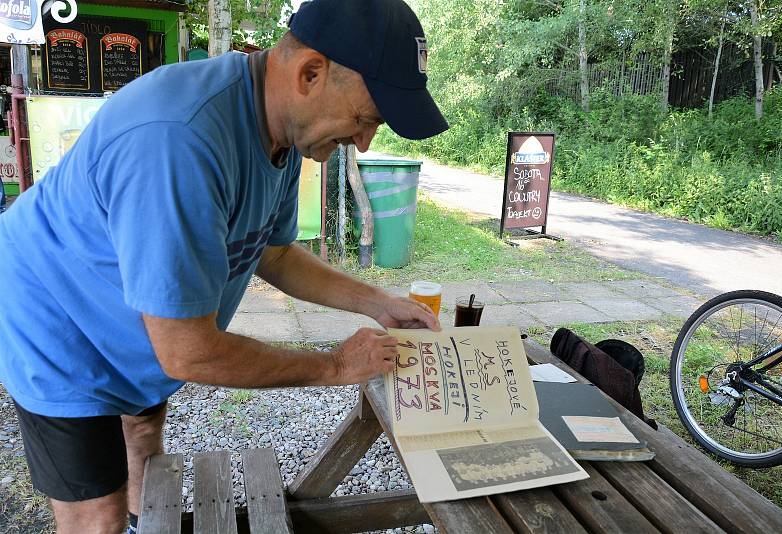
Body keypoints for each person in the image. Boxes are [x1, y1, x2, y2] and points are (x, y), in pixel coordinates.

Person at [0, 0, 448, 532]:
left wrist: (380, 303)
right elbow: (188, 353)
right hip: (53, 320)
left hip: (126, 311)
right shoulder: (180, 140)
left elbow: (274, 252)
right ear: (310, 73)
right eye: (366, 118)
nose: (365, 140)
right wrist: (334, 366)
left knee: (142, 436)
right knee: (97, 516)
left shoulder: (281, 129)